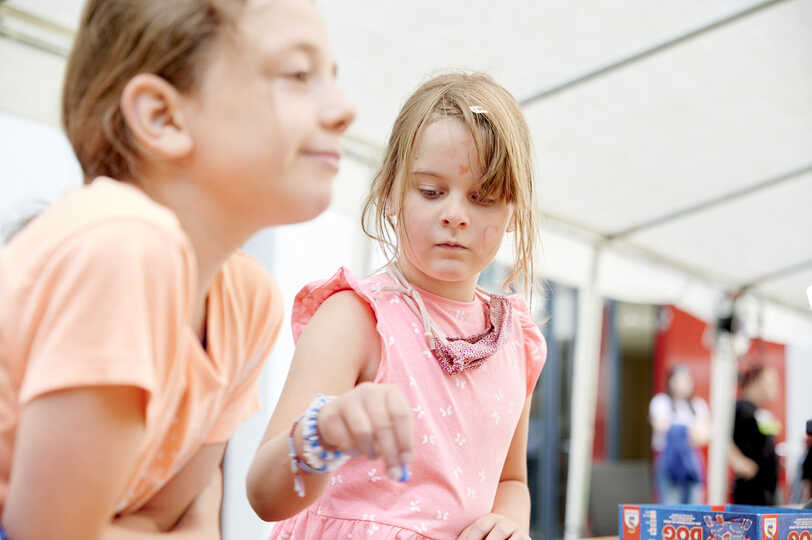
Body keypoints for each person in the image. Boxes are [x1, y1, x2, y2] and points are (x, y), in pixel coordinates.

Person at [0, 0, 355, 538]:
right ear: (162, 117)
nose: (344, 110)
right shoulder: (123, 244)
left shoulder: (249, 300)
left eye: (332, 77)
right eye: (298, 75)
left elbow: (164, 517)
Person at [246, 72, 546, 540]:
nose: (455, 213)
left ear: (513, 211)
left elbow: (511, 481)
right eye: (430, 191)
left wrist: (508, 523)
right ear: (388, 192)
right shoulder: (356, 318)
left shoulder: (517, 341)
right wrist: (320, 434)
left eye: (482, 197)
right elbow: (265, 496)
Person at [649, 364, 710, 504]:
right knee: (669, 503)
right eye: (678, 380)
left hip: (691, 459)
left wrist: (676, 429)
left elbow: (703, 436)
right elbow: (659, 426)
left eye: (686, 380)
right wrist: (689, 430)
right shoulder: (660, 402)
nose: (682, 385)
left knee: (694, 504)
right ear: (670, 382)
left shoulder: (698, 405)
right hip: (667, 458)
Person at [729, 365, 781, 506]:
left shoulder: (759, 412)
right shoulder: (740, 408)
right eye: (769, 382)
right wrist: (738, 461)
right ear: (755, 382)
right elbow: (720, 436)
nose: (774, 387)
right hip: (750, 492)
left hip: (767, 490)